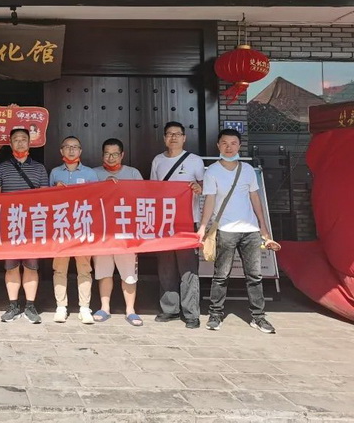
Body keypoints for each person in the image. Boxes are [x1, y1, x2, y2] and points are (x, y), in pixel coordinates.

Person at [199, 129, 277, 334]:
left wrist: (263, 226)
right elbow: (209, 200)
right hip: (225, 229)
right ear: (218, 145)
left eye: (233, 143)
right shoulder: (212, 171)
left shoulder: (248, 170)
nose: (229, 147)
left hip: (250, 230)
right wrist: (203, 227)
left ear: (239, 146)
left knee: (255, 276)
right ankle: (215, 314)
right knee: (221, 275)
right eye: (224, 143)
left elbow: (255, 198)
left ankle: (258, 317)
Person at [150, 122, 205, 329]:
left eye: (177, 134)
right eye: (169, 134)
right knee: (166, 268)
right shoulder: (158, 160)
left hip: (187, 222)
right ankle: (169, 309)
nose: (173, 137)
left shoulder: (195, 161)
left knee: (188, 269)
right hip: (164, 223)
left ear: (184, 138)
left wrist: (198, 188)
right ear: (164, 138)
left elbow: (205, 186)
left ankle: (191, 313)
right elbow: (152, 189)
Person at [0, 128, 49, 324]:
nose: (20, 143)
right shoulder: (2, 168)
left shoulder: (40, 169)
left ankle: (30, 306)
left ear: (29, 143)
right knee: (11, 267)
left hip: (32, 224)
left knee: (31, 266)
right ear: (10, 144)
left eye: (23, 139)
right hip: (10, 224)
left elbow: (45, 198)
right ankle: (13, 305)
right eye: (16, 139)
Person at [92, 138, 144, 327]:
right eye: (107, 153)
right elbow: (87, 199)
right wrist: (102, 186)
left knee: (129, 273)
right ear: (102, 155)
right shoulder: (94, 173)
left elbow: (144, 197)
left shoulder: (133, 173)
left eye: (115, 154)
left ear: (122, 155)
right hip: (102, 232)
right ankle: (104, 307)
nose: (111, 157)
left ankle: (130, 310)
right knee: (104, 271)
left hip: (126, 232)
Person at [49, 136, 100, 324]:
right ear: (61, 151)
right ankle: (61, 306)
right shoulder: (55, 173)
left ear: (80, 151)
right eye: (67, 147)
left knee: (84, 269)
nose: (71, 150)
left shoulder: (90, 173)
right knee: (59, 269)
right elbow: (47, 200)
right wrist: (55, 189)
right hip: (61, 226)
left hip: (82, 227)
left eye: (75, 147)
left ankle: (84, 307)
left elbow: (97, 198)